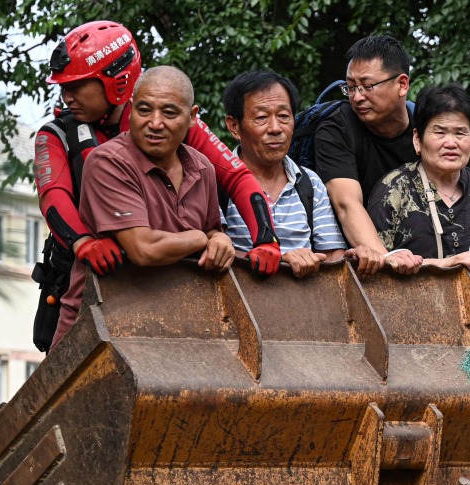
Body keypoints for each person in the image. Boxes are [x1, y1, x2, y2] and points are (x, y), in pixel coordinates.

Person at [32, 22, 280, 350]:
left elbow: (236, 176)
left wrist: (266, 238)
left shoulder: (171, 119)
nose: (66, 97)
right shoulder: (57, 134)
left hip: (174, 293)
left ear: (115, 81)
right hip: (95, 278)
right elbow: (53, 196)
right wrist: (83, 242)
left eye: (77, 86)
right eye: (64, 87)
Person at [312, 34, 470, 280]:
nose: (357, 96)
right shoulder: (337, 129)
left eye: (367, 86)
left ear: (402, 84)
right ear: (418, 141)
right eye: (351, 87)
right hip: (365, 258)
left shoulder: (436, 126)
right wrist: (387, 260)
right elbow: (346, 205)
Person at [51, 67, 234, 349]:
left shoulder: (202, 167)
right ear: (132, 108)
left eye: (170, 113)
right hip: (95, 333)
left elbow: (212, 228)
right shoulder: (108, 162)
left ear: (192, 117)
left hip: (170, 330)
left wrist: (220, 239)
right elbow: (144, 249)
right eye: (145, 110)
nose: (155, 123)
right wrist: (200, 238)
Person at [367, 84, 470, 279]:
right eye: (440, 132)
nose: (451, 143)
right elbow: (377, 265)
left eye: (460, 133)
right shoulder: (393, 188)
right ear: (417, 139)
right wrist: (443, 264)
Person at [221, 70, 347, 277]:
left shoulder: (309, 182)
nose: (275, 128)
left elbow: (333, 255)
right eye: (261, 117)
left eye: (283, 116)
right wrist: (280, 261)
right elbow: (213, 251)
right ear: (234, 127)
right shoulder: (216, 182)